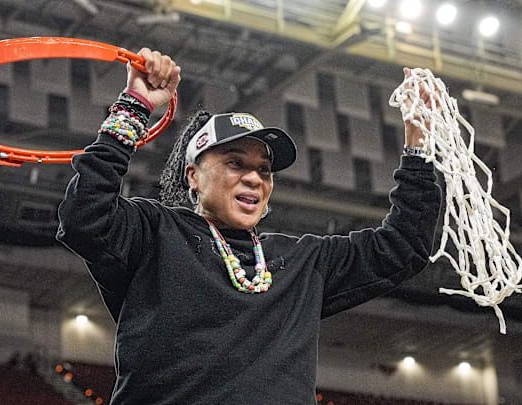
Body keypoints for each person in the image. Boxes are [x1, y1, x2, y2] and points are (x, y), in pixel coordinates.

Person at [56, 48, 441, 404]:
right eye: (235, 163)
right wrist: (134, 106)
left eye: (264, 169)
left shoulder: (302, 261)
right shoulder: (154, 232)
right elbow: (84, 216)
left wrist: (419, 147)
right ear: (193, 175)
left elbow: (403, 246)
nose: (255, 178)